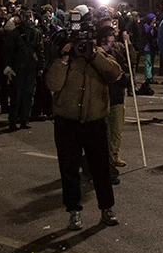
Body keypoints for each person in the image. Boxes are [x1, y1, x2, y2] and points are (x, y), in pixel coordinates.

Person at [45, 14, 124, 230]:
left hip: (94, 121)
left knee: (101, 169)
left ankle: (106, 208)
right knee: (69, 169)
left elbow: (116, 73)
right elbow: (52, 84)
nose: (82, 44)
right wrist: (64, 58)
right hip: (67, 121)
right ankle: (74, 211)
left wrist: (94, 55)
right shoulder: (65, 57)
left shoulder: (99, 55)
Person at [98, 25, 132, 182]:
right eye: (106, 41)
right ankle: (106, 161)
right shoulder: (96, 56)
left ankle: (114, 155)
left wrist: (122, 77)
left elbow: (127, 70)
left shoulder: (116, 53)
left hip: (116, 97)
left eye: (111, 41)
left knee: (116, 130)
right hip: (101, 99)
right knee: (104, 133)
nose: (109, 45)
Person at [5, 7, 43, 132]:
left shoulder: (35, 33)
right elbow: (9, 51)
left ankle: (24, 119)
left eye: (29, 16)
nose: (27, 19)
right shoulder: (15, 33)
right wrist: (8, 66)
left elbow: (40, 50)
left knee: (27, 95)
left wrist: (40, 66)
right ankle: (14, 120)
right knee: (17, 96)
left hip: (29, 67)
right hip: (19, 68)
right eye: (25, 16)